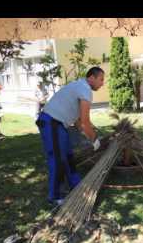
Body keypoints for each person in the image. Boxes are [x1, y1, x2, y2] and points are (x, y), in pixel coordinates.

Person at [36, 67, 105, 206]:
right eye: (101, 79)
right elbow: (85, 122)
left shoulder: (80, 86)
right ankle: (55, 196)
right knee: (57, 160)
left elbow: (80, 121)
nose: (102, 83)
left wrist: (88, 131)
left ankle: (76, 185)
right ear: (91, 78)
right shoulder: (85, 89)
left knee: (68, 156)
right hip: (51, 122)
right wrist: (94, 140)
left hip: (58, 124)